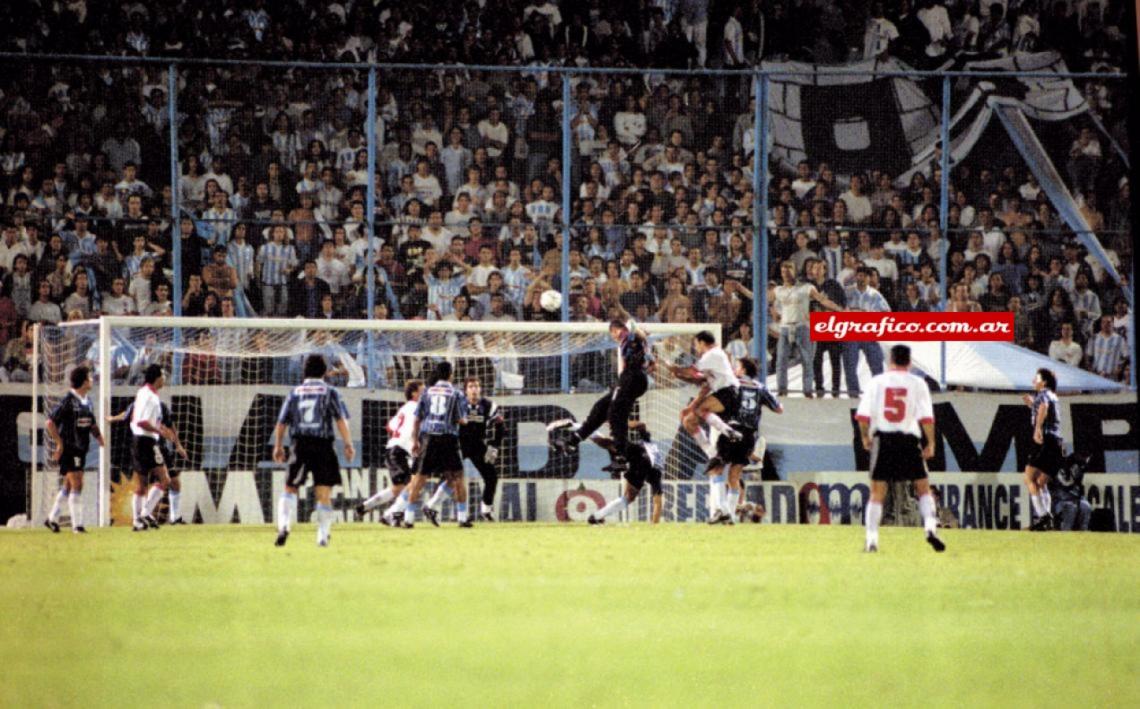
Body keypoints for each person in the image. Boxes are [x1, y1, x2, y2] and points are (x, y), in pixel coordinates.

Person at [855, 345, 944, 553]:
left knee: (877, 493)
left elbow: (862, 416)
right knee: (923, 488)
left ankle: (872, 540)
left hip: (883, 438)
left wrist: (865, 438)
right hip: (908, 439)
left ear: (890, 361)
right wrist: (930, 443)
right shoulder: (918, 383)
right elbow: (927, 418)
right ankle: (930, 528)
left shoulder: (877, 382)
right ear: (909, 362)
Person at [272, 355, 355, 547]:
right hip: (323, 443)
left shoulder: (295, 392)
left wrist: (278, 445)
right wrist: (348, 444)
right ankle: (322, 536)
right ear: (325, 372)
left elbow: (282, 422)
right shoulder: (330, 391)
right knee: (323, 493)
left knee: (290, 488)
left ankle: (284, 526)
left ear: (304, 371)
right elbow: (340, 420)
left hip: (299, 443)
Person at [549, 319, 652, 472]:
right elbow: (651, 362)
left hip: (633, 376)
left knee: (615, 413)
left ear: (618, 329)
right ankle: (572, 441)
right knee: (601, 408)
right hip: (631, 378)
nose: (614, 336)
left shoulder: (631, 335)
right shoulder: (631, 342)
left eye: (614, 332)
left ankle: (621, 456)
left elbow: (634, 328)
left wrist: (636, 330)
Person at [705, 357, 782, 525]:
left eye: (737, 367)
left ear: (743, 370)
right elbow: (779, 408)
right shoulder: (761, 388)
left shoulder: (733, 384)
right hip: (749, 437)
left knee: (716, 470)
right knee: (734, 476)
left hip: (732, 431)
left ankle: (723, 511)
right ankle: (730, 517)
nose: (734, 369)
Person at [403, 361, 470, 529]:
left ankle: (408, 518)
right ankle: (462, 518)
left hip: (429, 438)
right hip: (448, 438)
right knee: (458, 477)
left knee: (419, 479)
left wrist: (415, 440)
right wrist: (465, 419)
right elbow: (461, 419)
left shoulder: (427, 392)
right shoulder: (456, 394)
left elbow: (418, 418)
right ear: (451, 374)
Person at [43, 366, 105, 533]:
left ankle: (51, 519)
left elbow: (91, 422)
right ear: (84, 382)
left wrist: (99, 437)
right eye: (90, 378)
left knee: (69, 485)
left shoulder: (87, 400)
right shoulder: (68, 401)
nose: (92, 380)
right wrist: (59, 443)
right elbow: (50, 422)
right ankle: (77, 526)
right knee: (78, 484)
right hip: (70, 448)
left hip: (81, 449)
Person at [107, 399, 188, 524]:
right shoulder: (138, 404)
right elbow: (126, 414)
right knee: (155, 482)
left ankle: (174, 517)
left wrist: (178, 445)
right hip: (147, 448)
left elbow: (170, 425)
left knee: (174, 482)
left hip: (161, 448)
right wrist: (113, 418)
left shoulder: (161, 405)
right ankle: (144, 514)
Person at [355, 379, 423, 525]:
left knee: (400, 487)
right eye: (422, 392)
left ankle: (367, 506)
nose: (425, 395)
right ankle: (390, 515)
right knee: (411, 485)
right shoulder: (416, 407)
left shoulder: (404, 408)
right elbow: (417, 426)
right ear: (414, 393)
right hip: (401, 451)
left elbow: (390, 426)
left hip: (395, 449)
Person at [667, 330, 742, 461]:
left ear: (702, 342)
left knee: (699, 409)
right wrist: (679, 376)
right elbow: (701, 381)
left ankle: (729, 432)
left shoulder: (713, 354)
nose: (695, 348)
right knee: (688, 421)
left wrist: (675, 368)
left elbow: (692, 371)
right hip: (724, 395)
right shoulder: (712, 359)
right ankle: (711, 454)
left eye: (696, 344)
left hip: (730, 392)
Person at [441, 377, 505, 523]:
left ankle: (486, 510)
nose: (474, 389)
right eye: (471, 386)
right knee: (449, 477)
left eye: (477, 386)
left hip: (477, 445)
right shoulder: (459, 403)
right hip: (459, 444)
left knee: (491, 477)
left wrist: (494, 445)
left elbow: (501, 426)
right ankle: (441, 508)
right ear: (465, 390)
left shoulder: (489, 405)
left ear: (480, 389)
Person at [129, 365, 179, 532]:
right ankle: (145, 512)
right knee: (165, 479)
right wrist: (160, 432)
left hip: (138, 440)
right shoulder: (150, 397)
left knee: (141, 485)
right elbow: (142, 421)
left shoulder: (143, 392)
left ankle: (137, 522)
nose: (165, 378)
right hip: (147, 441)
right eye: (163, 375)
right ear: (157, 378)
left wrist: (161, 430)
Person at [586, 422, 664, 525]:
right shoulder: (656, 474)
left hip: (635, 452)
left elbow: (642, 425)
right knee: (628, 497)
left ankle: (582, 429)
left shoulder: (649, 443)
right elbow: (658, 503)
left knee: (610, 444)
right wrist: (654, 524)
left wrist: (619, 423)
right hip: (640, 460)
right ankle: (596, 517)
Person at [1022, 367, 1063, 531]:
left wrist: (1037, 428)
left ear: (1044, 382)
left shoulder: (1044, 394)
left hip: (1045, 440)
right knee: (1041, 482)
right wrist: (1032, 405)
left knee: (1029, 478)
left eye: (1036, 378)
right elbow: (1044, 409)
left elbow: (1044, 408)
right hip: (1056, 441)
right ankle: (1047, 519)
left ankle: (1043, 517)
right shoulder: (1054, 395)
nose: (1033, 381)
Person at [1050, 451, 1092, 531]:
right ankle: (1065, 535)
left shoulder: (1078, 477)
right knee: (1070, 508)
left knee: (1086, 507)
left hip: (1075, 500)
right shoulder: (1058, 470)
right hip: (1059, 501)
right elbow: (1064, 486)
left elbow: (1078, 494)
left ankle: (1084, 535)